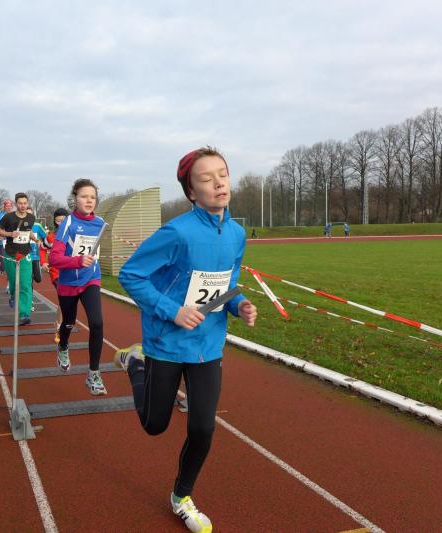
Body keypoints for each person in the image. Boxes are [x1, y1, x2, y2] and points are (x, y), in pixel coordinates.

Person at [115, 147, 257, 533]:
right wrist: (172, 310)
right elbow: (131, 275)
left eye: (223, 174)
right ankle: (135, 362)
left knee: (203, 428)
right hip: (166, 341)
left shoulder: (236, 233)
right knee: (155, 424)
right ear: (191, 192)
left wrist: (239, 304)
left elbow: (227, 282)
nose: (219, 182)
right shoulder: (176, 232)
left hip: (208, 344)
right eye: (207, 178)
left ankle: (182, 496)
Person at [48, 179, 107, 395]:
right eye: (84, 196)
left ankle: (93, 374)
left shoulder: (101, 223)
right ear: (75, 198)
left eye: (93, 197)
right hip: (69, 282)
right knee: (69, 322)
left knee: (97, 323)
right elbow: (54, 258)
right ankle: (63, 346)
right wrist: (78, 261)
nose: (89, 201)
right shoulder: (68, 224)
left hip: (91, 279)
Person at [0, 193, 35, 326]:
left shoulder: (31, 217)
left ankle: (25, 314)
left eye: (25, 203)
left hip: (25, 255)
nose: (23, 206)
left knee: (25, 284)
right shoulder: (8, 217)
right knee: (13, 284)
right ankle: (13, 295)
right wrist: (10, 234)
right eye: (20, 203)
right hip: (11, 255)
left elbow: (29, 231)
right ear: (16, 204)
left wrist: (35, 239)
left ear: (27, 204)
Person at [42, 207, 69, 343]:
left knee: (68, 302)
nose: (61, 223)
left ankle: (63, 323)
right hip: (56, 273)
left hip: (70, 271)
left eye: (63, 220)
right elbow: (42, 248)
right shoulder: (51, 237)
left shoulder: (73, 235)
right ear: (55, 221)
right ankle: (59, 327)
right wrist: (43, 262)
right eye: (58, 220)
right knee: (63, 299)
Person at [0, 199, 14, 277]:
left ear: (12, 207)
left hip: (13, 241)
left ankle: (11, 281)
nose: (9, 207)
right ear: (4, 207)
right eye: (7, 206)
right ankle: (0, 268)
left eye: (10, 206)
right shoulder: (0, 216)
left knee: (13, 262)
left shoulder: (15, 216)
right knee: (4, 261)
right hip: (3, 242)